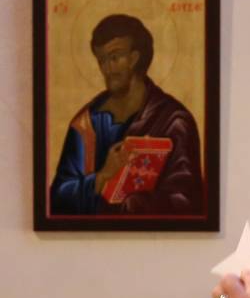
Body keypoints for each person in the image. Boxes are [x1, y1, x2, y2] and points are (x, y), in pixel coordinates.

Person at [50, 13, 204, 215]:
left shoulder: (173, 120)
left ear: (134, 58)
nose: (107, 68)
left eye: (114, 58)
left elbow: (187, 200)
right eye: (102, 60)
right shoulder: (88, 122)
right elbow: (58, 199)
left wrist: (135, 205)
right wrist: (101, 178)